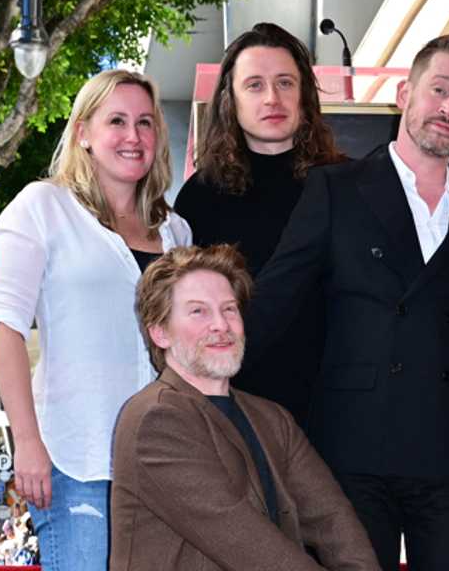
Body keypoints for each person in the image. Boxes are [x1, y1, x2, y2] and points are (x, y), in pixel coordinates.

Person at [246, 34, 449, 571]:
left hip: (448, 451)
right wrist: (204, 374)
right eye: (439, 90)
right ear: (405, 94)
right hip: (353, 449)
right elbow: (275, 300)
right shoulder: (336, 190)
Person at [0, 69, 192, 571]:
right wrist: (27, 443)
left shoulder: (176, 230)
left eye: (145, 123)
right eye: (116, 120)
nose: (133, 136)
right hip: (76, 459)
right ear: (83, 132)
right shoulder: (42, 207)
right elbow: (4, 328)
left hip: (164, 463)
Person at [110, 244, 379, 571]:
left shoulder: (272, 418)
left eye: (229, 309)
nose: (220, 325)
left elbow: (332, 519)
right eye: (198, 311)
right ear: (159, 332)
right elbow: (247, 545)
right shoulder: (155, 420)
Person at [174, 22, 345, 427]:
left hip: (341, 416)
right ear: (230, 100)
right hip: (240, 413)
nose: (273, 98)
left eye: (285, 82)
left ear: (305, 93)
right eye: (254, 85)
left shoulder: (350, 186)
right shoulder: (199, 197)